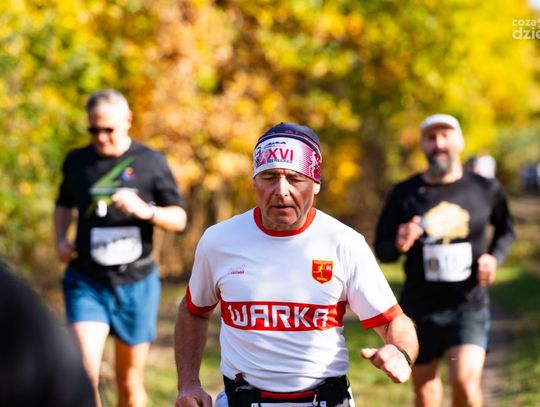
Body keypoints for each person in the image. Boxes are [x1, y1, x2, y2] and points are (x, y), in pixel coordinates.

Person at [174, 122, 419, 407]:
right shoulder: (219, 241)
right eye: (269, 177)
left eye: (295, 178)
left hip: (326, 400)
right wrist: (188, 383)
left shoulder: (343, 242)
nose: (281, 190)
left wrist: (400, 352)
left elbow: (393, 321)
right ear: (254, 181)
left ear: (315, 184)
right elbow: (194, 311)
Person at [54, 89, 187, 407]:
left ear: (128, 120)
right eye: (94, 130)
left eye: (108, 129)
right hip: (87, 281)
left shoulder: (151, 161)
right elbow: (63, 204)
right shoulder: (77, 162)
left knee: (128, 380)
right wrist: (60, 238)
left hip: (136, 283)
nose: (101, 137)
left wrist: (147, 211)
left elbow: (179, 218)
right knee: (84, 374)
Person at [374, 114, 515, 407]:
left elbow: (506, 229)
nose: (438, 144)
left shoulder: (485, 189)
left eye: (445, 136)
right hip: (419, 308)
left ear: (459, 142)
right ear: (422, 145)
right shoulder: (404, 193)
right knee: (426, 394)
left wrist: (494, 257)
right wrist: (399, 241)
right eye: (431, 138)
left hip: (468, 304)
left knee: (465, 384)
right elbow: (383, 251)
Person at [0, 259, 95, 406]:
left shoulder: (12, 302)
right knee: (91, 368)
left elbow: (71, 383)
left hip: (128, 280)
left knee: (129, 382)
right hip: (85, 283)